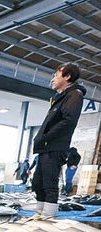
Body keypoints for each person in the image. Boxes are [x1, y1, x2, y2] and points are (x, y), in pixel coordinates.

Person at [31, 63, 85, 218]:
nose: (53, 79)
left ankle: (48, 216)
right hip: (45, 146)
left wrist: (46, 137)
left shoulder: (74, 95)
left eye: (56, 75)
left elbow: (68, 121)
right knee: (38, 182)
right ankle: (39, 212)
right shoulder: (60, 97)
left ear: (67, 77)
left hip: (55, 146)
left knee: (49, 183)